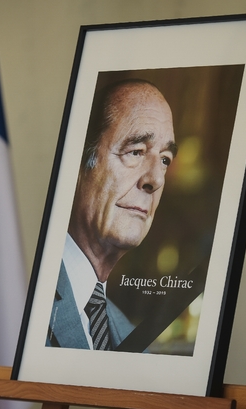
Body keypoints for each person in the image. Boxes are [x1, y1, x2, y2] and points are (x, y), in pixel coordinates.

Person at [47, 79, 177, 351]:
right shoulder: (23, 293)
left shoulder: (129, 337)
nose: (155, 179)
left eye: (165, 159)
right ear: (81, 163)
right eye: (136, 151)